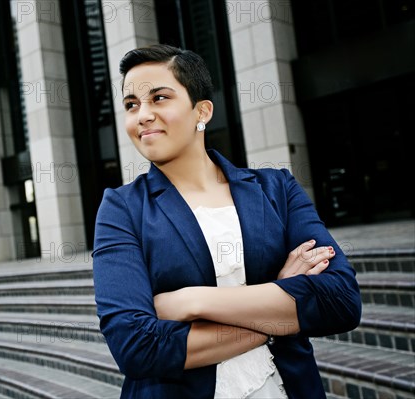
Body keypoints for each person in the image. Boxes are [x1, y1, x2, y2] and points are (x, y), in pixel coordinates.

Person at [91, 44, 361, 399]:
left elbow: (340, 301)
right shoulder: (122, 209)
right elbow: (137, 346)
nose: (142, 115)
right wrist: (277, 305)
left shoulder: (276, 190)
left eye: (159, 98)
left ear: (201, 111)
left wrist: (192, 301)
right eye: (131, 104)